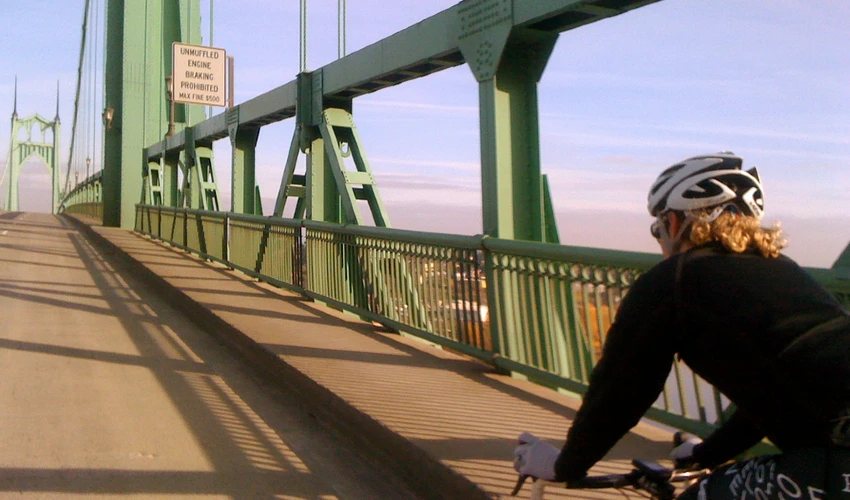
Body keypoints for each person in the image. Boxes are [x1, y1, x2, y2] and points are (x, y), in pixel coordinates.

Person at [513, 152, 850, 498]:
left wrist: (563, 465)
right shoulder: (784, 269)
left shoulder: (675, 280)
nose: (659, 237)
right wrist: (707, 454)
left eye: (657, 228)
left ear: (674, 222)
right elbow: (777, 394)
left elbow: (620, 391)